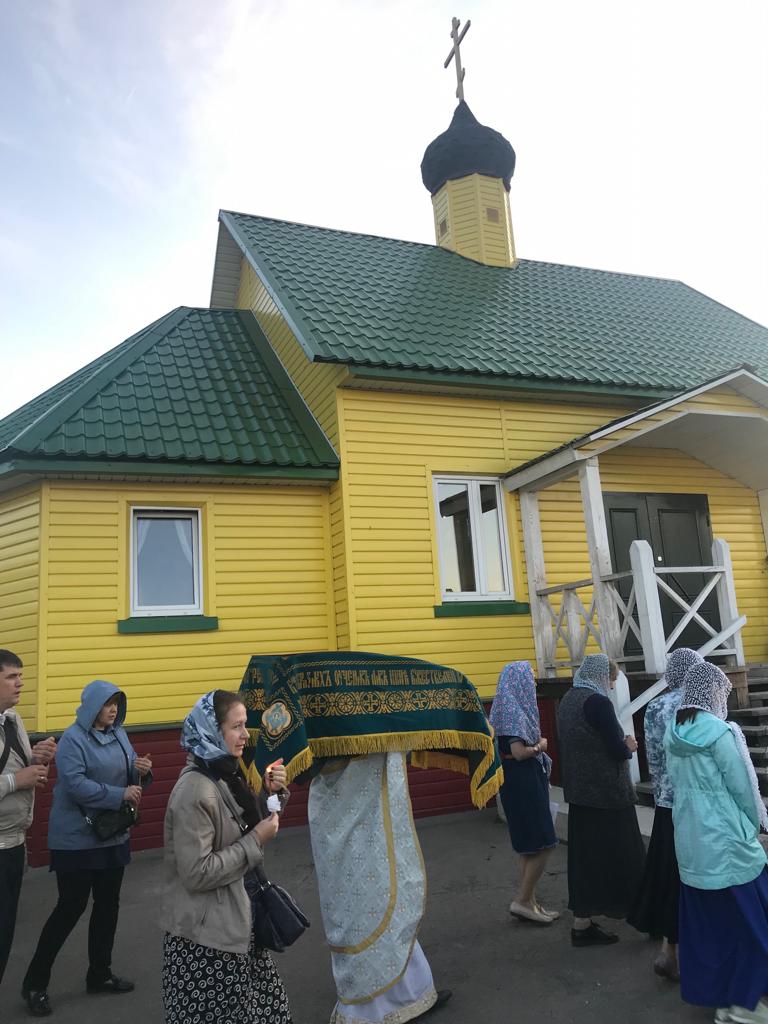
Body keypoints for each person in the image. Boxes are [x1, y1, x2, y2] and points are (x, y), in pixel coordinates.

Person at [160, 690, 292, 1024]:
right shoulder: (196, 790)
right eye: (236, 727)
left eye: (245, 725)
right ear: (211, 730)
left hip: (235, 926)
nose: (246, 735)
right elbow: (197, 873)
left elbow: (241, 827)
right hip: (207, 945)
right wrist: (256, 840)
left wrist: (271, 795)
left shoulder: (223, 774)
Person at [22, 680, 151, 1016]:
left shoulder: (119, 734)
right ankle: (35, 983)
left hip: (113, 835)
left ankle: (100, 974)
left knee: (108, 906)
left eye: (116, 704)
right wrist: (119, 794)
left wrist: (141, 771)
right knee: (70, 907)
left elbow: (130, 773)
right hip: (77, 840)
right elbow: (75, 785)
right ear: (92, 705)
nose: (113, 710)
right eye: (107, 704)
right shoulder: (73, 740)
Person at [308, 752, 452, 1024]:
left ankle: (413, 995)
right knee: (359, 912)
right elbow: (303, 761)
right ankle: (365, 1013)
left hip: (381, 799)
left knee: (392, 898)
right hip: (344, 809)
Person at [666, 661, 768, 1021]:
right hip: (727, 842)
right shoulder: (720, 733)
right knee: (751, 926)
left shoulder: (674, 730)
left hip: (691, 841)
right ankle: (747, 1005)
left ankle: (725, 1000)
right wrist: (753, 825)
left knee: (712, 930)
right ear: (712, 692)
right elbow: (742, 786)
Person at [557, 653, 645, 946]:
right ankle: (646, 915)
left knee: (586, 860)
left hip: (580, 793)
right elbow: (616, 749)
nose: (611, 685)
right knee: (627, 855)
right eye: (611, 679)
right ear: (600, 675)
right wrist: (629, 745)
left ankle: (581, 923)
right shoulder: (598, 703)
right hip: (609, 794)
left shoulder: (568, 699)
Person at [627, 647, 703, 980]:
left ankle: (668, 948)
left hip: (666, 803)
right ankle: (692, 954)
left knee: (667, 873)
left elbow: (653, 759)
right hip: (695, 804)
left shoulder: (654, 707)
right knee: (695, 877)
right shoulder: (698, 705)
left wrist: (660, 793)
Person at [0, 650, 56, 986]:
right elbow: (13, 778)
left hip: (14, 843)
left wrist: (37, 759)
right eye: (11, 677)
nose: (20, 683)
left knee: (5, 933)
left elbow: (17, 768)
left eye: (20, 676)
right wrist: (15, 781)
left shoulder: (13, 719)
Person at [489, 660, 558, 924]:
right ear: (519, 682)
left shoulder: (504, 708)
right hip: (523, 779)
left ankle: (530, 902)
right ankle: (522, 900)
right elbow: (518, 753)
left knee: (529, 847)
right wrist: (540, 746)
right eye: (530, 678)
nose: (534, 682)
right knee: (545, 842)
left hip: (516, 780)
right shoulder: (515, 713)